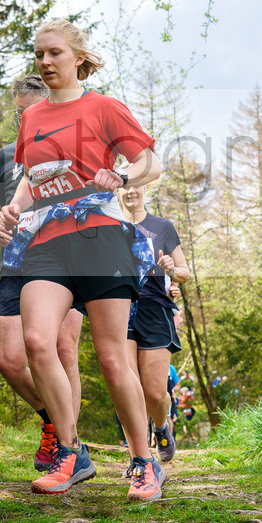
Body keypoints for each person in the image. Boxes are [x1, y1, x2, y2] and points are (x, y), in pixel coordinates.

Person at [0, 19, 165, 501]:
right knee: (36, 339)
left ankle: (143, 461)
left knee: (113, 358)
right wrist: (15, 203)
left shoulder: (104, 107)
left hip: (102, 237)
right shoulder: (31, 118)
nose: (46, 62)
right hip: (48, 239)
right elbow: (33, 176)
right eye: (39, 55)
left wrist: (124, 176)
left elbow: (150, 160)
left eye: (54, 54)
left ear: (77, 58)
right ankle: (70, 452)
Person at [0, 74, 84, 471]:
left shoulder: (69, 149)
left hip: (66, 259)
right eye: (18, 112)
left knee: (62, 348)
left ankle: (68, 451)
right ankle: (55, 423)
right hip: (17, 263)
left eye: (29, 111)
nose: (23, 118)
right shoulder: (6, 156)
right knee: (9, 360)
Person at [118, 182, 189, 463]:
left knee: (155, 392)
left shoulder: (163, 227)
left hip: (155, 309)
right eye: (124, 185)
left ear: (146, 188)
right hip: (120, 307)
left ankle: (161, 427)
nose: (130, 191)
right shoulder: (109, 226)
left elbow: (184, 272)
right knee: (126, 387)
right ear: (116, 191)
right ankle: (140, 458)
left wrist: (173, 269)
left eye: (135, 185)